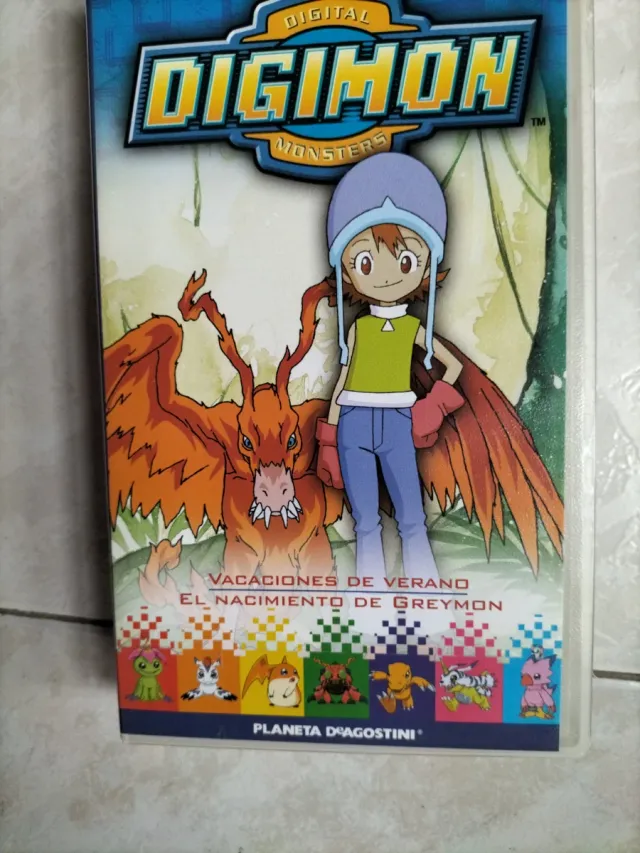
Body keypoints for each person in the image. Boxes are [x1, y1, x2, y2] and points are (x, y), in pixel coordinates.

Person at [315, 152, 465, 583]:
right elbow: (343, 382)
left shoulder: (413, 328)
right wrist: (329, 438)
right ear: (347, 269)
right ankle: (369, 600)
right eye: (365, 262)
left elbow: (452, 366)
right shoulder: (359, 328)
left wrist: (433, 406)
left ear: (425, 265)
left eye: (403, 261)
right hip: (354, 423)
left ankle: (426, 596)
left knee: (411, 517)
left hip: (398, 421)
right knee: (366, 522)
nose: (383, 275)